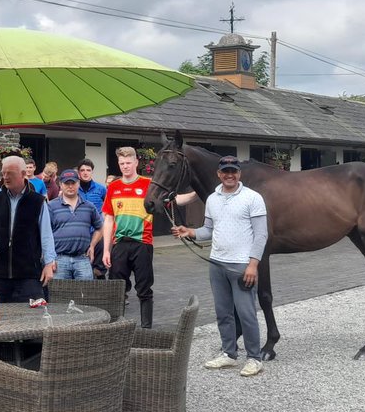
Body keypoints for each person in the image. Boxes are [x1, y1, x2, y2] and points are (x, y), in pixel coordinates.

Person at [171, 156, 267, 377]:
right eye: (226, 171)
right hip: (217, 264)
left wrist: (253, 264)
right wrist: (190, 232)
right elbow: (209, 229)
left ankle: (254, 357)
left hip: (242, 265)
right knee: (223, 312)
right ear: (219, 174)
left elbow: (261, 235)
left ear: (239, 173)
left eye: (233, 171)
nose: (230, 175)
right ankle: (229, 353)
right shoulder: (212, 199)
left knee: (246, 313)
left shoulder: (253, 198)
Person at [0, 155, 56, 302]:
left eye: (10, 173)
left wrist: (49, 263)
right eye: (3, 173)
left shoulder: (38, 201)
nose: (5, 177)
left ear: (23, 174)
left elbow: (46, 235)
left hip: (29, 273)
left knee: (33, 320)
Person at [102, 146, 156, 328]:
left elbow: (174, 199)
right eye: (122, 163)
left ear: (136, 163)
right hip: (120, 244)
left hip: (143, 243)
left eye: (128, 163)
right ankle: (117, 328)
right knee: (117, 288)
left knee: (144, 289)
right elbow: (108, 220)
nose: (125, 166)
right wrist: (106, 250)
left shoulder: (148, 184)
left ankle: (146, 329)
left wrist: (197, 193)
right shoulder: (113, 187)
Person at [49, 169, 103, 281]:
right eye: (66, 183)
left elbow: (100, 227)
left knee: (85, 295)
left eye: (73, 183)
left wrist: (92, 246)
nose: (70, 186)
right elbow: (44, 233)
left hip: (83, 258)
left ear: (78, 184)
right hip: (59, 259)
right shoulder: (51, 206)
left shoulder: (89, 206)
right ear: (60, 185)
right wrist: (49, 258)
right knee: (59, 295)